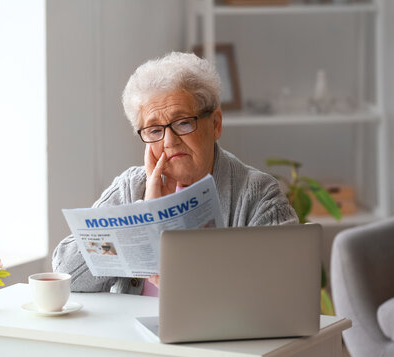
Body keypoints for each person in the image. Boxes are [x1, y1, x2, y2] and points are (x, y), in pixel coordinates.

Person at [52, 52, 298, 295]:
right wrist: (144, 215)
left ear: (215, 124)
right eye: (155, 129)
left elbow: (283, 292)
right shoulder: (132, 186)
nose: (169, 141)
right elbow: (66, 275)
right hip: (131, 335)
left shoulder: (259, 197)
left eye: (182, 123)